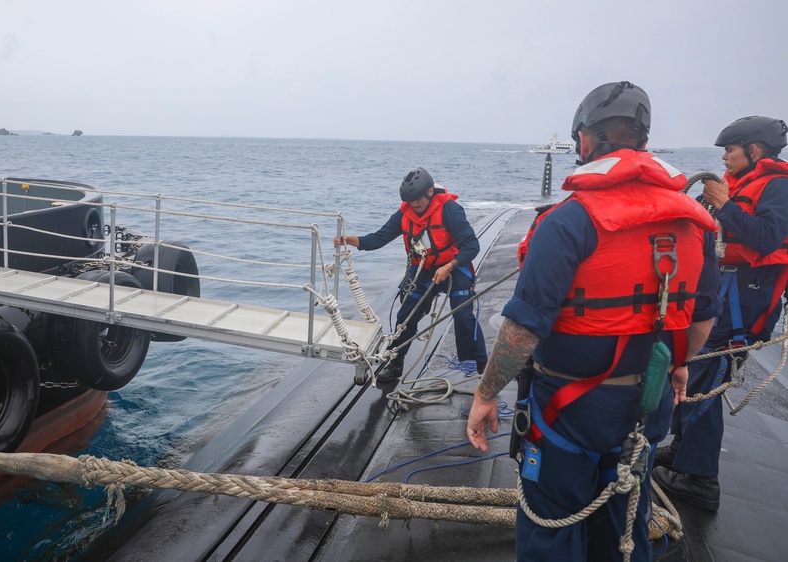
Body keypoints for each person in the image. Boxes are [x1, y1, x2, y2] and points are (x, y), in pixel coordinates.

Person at [465, 81, 720, 561]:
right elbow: (701, 317)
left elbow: (522, 328)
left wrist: (483, 396)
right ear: (643, 141)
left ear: (585, 140)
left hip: (569, 409)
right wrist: (679, 364)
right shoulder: (695, 224)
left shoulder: (567, 221)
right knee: (626, 523)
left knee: (552, 528)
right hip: (648, 403)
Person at [653, 116, 788, 511]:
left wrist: (725, 204)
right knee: (694, 372)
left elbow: (766, 238)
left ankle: (699, 478)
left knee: (706, 378)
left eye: (730, 150)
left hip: (742, 302)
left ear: (754, 150)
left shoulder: (778, 186)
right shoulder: (744, 184)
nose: (725, 157)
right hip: (724, 294)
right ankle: (684, 449)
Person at [334, 167, 488, 383]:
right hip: (423, 271)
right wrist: (349, 240)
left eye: (418, 199)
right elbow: (379, 238)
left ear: (431, 192)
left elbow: (472, 246)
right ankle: (396, 363)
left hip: (454, 267)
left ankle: (482, 364)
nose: (414, 204)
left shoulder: (450, 210)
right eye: (410, 200)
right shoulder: (404, 214)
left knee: (463, 315)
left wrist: (448, 267)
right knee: (405, 318)